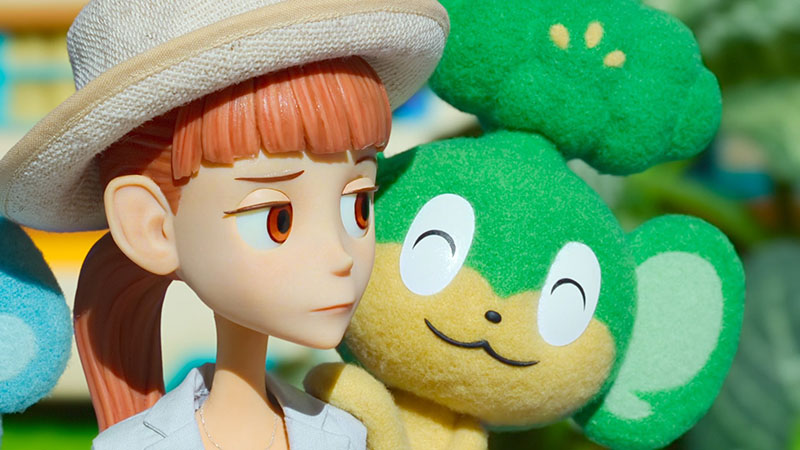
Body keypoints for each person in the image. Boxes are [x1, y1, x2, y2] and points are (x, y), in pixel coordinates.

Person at [0, 0, 448, 449]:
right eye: (277, 221)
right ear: (151, 227)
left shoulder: (345, 435)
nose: (339, 255)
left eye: (358, 207)